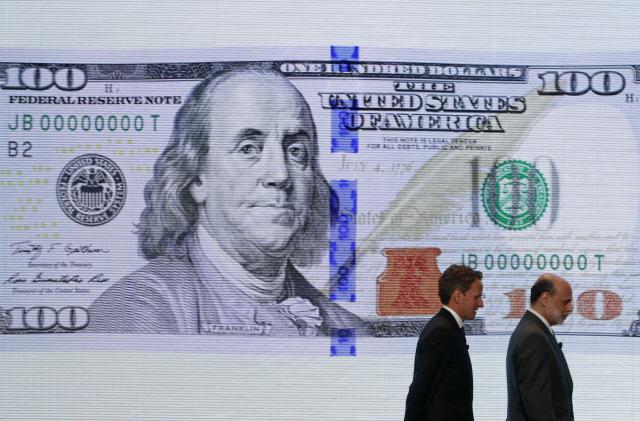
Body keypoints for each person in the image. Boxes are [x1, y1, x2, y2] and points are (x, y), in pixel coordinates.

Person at [87, 68, 365, 336]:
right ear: (196, 178)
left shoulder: (349, 329)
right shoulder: (135, 313)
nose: (280, 174)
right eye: (248, 149)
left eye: (296, 151)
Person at [404, 264, 484, 421]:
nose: (481, 303)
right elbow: (419, 392)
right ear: (458, 296)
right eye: (477, 297)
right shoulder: (441, 332)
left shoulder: (450, 327)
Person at [506, 273, 574, 421]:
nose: (570, 308)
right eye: (565, 302)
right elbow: (538, 408)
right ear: (545, 299)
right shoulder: (534, 337)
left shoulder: (536, 330)